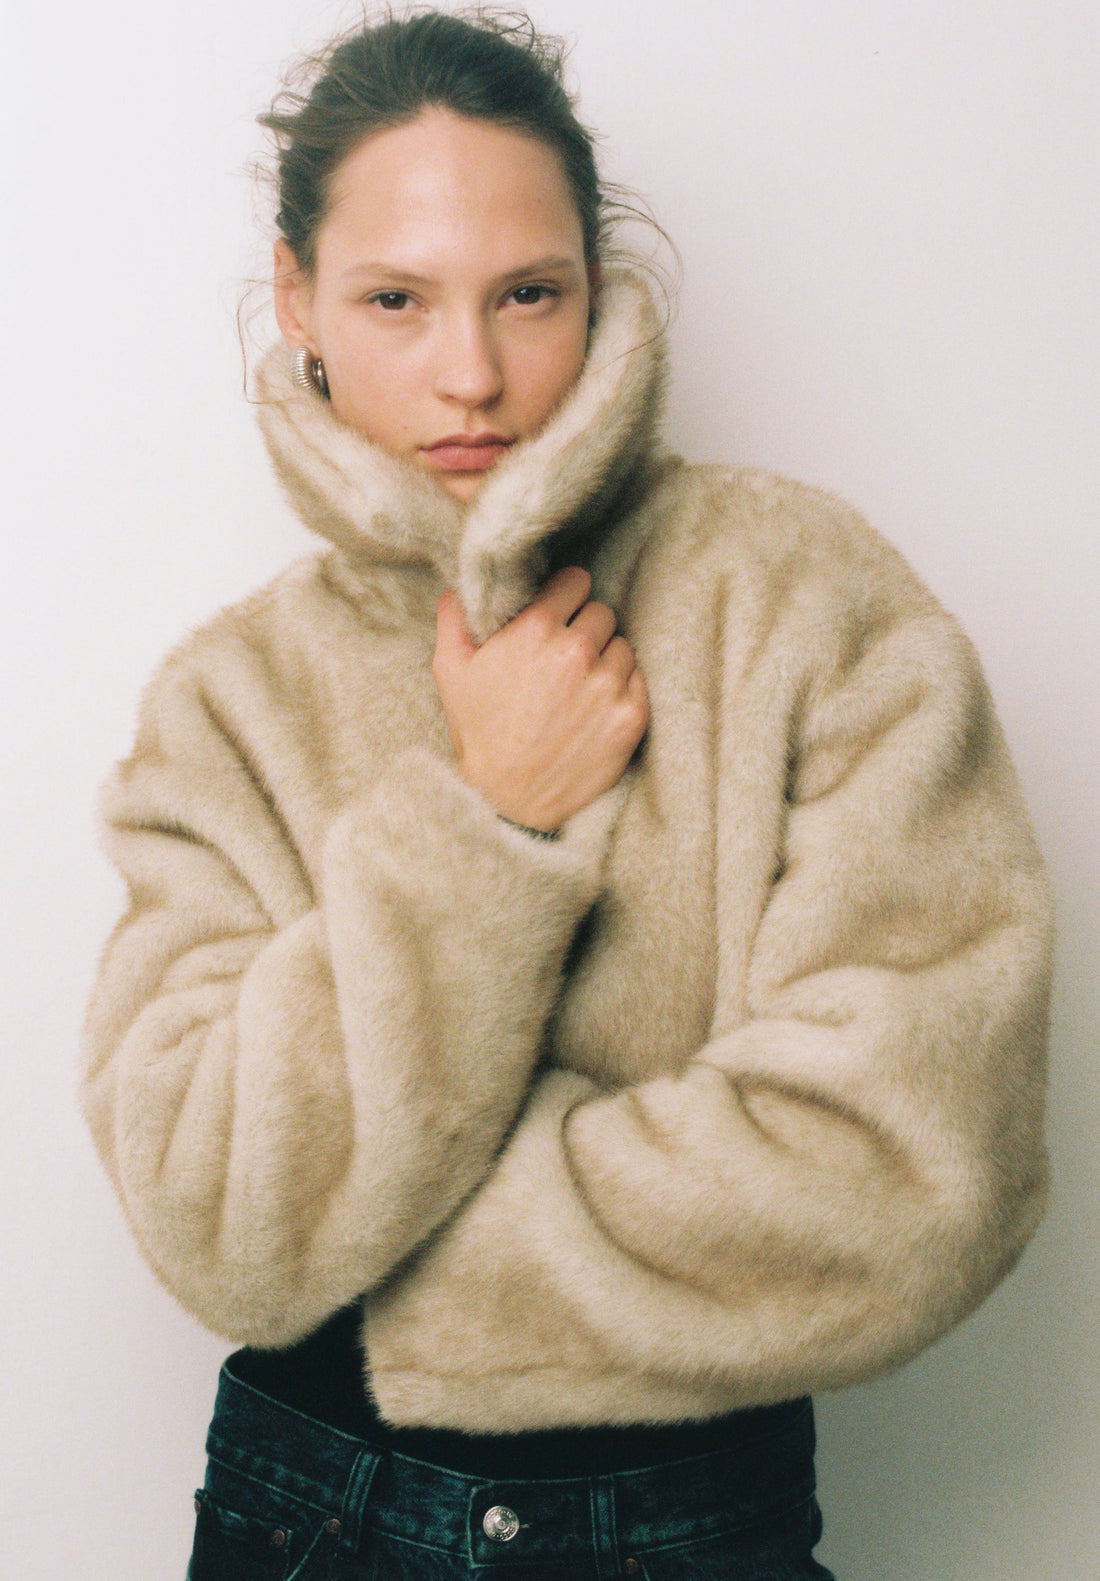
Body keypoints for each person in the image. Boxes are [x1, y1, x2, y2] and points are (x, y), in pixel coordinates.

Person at [80, 10, 1053, 1579]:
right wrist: (484, 818)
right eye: (396, 299)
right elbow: (214, 1221)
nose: (471, 374)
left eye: (527, 293)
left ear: (597, 285)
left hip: (693, 1527)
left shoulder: (805, 604)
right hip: (308, 1520)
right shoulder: (227, 704)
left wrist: (387, 1250)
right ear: (299, 299)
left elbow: (918, 1175)